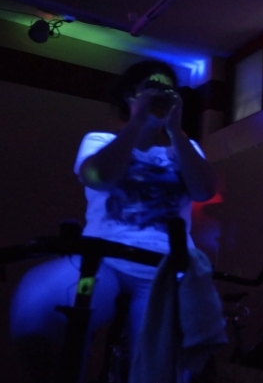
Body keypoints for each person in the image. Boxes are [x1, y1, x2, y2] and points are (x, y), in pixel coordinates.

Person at [10, 60, 218, 382]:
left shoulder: (185, 148)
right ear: (129, 95)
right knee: (38, 306)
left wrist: (176, 131)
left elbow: (204, 190)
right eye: (152, 89)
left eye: (167, 92)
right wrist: (138, 121)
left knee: (160, 361)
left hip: (165, 265)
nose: (160, 97)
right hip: (102, 257)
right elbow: (98, 177)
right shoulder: (99, 140)